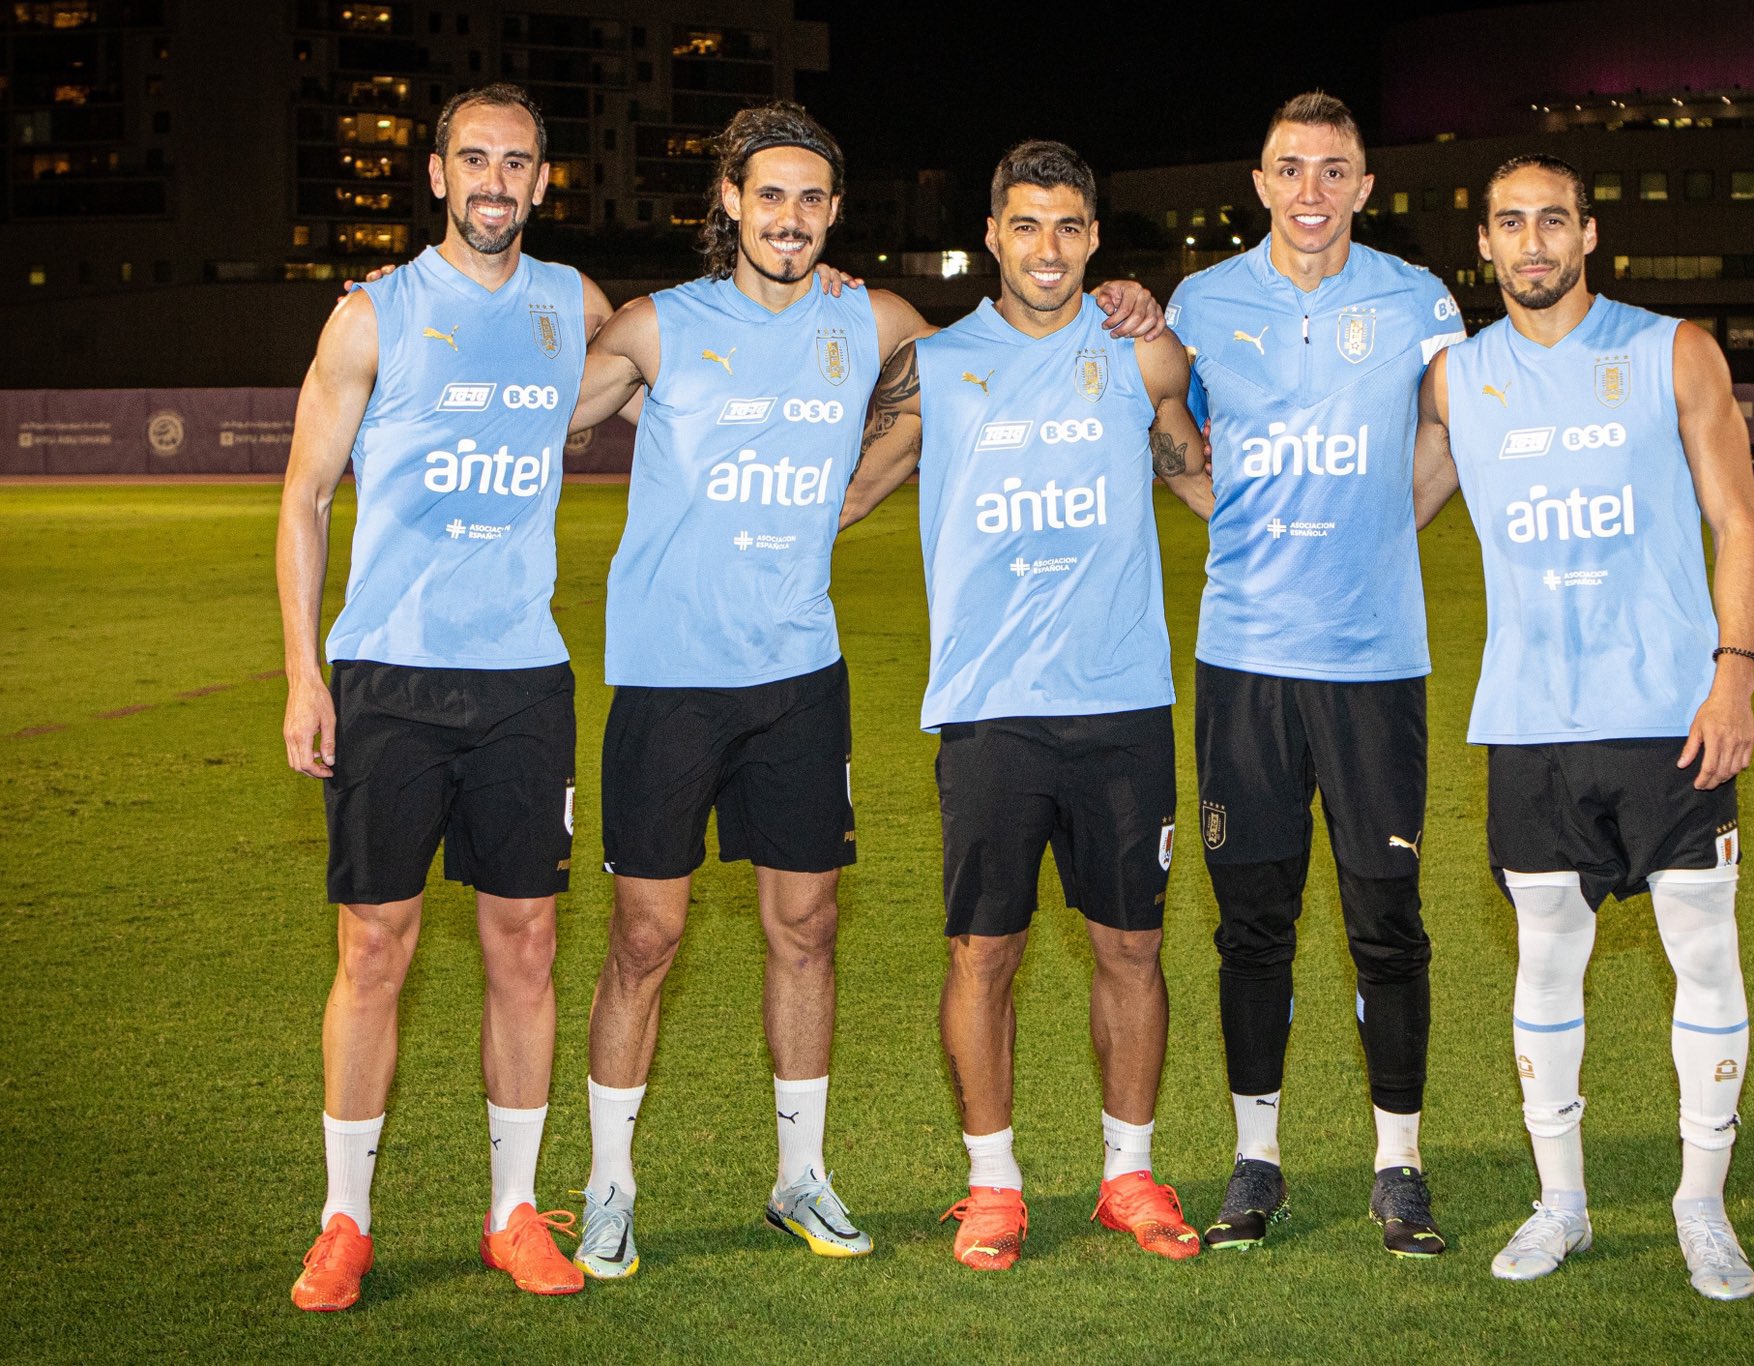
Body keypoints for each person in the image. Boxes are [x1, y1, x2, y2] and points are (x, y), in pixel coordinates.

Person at [561, 104, 1163, 1277]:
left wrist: (1114, 300)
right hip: (667, 677)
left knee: (807, 928)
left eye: (810, 199)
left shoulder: (877, 320)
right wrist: (506, 289)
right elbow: (546, 394)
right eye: (766, 195)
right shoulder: (658, 326)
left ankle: (801, 1176)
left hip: (799, 673)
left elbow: (1006, 349)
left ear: (834, 214)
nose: (787, 218)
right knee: (645, 934)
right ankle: (606, 1186)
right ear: (728, 202)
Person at [840, 139, 1213, 1271]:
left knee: (1130, 946)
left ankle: (1127, 1172)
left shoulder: (1140, 356)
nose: (1046, 248)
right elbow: (846, 485)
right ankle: (991, 1181)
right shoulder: (939, 366)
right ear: (992, 236)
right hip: (989, 706)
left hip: (1120, 701)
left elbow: (1201, 478)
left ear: (1093, 238)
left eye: (1067, 227)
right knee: (982, 953)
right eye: (1024, 225)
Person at [278, 84, 612, 1310]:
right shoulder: (371, 317)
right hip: (390, 674)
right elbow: (305, 498)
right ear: (435, 175)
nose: (494, 180)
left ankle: (513, 1209)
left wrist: (831, 293)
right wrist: (307, 672)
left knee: (523, 943)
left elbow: (666, 355)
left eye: (516, 163)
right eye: (473, 158)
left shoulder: (573, 307)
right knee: (375, 943)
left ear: (540, 181)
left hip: (523, 674)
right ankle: (345, 1220)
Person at [1412, 154, 1754, 1300]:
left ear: (1587, 234)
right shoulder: (1456, 381)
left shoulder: (1670, 350)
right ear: (1482, 244)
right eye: (1509, 223)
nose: (1531, 243)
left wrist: (1732, 676)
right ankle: (1557, 1201)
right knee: (1547, 957)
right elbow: (1377, 514)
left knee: (1702, 955)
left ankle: (1699, 1205)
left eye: (1550, 222)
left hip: (1671, 718)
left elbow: (1739, 521)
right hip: (1531, 724)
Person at [1163, 91, 1466, 1254]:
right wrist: (1222, 511)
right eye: (1290, 168)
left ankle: (1399, 1164)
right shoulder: (1202, 302)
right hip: (1242, 658)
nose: (1309, 191)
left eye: (1332, 170)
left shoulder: (1412, 298)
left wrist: (1390, 524)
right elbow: (1167, 429)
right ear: (1258, 181)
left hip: (1372, 663)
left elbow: (1452, 428)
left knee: (1384, 917)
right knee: (1253, 922)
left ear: (1362, 187)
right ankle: (1256, 1156)